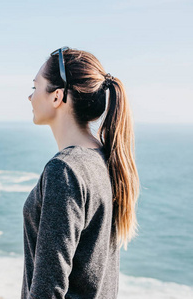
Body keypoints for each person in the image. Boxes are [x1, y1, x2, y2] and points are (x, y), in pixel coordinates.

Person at [21, 47, 140, 299]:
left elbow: (47, 290)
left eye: (35, 87)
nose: (30, 97)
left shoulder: (64, 170)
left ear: (57, 97)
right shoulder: (104, 159)